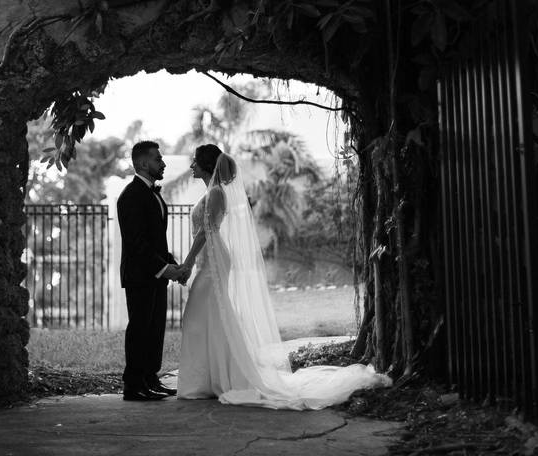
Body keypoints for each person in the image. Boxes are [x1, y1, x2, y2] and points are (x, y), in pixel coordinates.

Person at [176, 144, 391, 410]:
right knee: (208, 316)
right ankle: (208, 377)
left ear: (207, 164)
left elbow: (206, 232)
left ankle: (221, 376)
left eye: (195, 161)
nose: (191, 166)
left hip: (213, 260)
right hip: (207, 258)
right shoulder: (211, 192)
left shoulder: (217, 193)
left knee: (201, 313)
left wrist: (186, 264)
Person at [116, 140, 190, 401]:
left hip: (156, 274)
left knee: (155, 328)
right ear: (143, 163)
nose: (163, 163)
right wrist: (163, 268)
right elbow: (137, 244)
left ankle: (150, 378)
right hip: (139, 275)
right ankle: (133, 385)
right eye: (158, 159)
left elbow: (157, 240)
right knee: (139, 329)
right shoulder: (131, 196)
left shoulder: (153, 194)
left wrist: (172, 264)